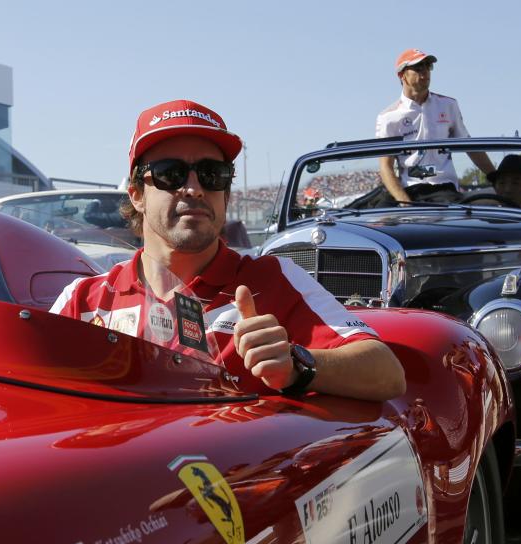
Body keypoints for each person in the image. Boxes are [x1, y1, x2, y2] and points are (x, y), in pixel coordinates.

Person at [51, 99, 405, 401]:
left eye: (212, 174)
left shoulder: (271, 279)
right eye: (170, 173)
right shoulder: (84, 301)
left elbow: (386, 372)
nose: (193, 189)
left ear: (227, 194)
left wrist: (298, 365)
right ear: (137, 195)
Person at [375, 49, 494, 204]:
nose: (425, 71)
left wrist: (496, 177)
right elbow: (385, 167)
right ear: (402, 75)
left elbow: (469, 146)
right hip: (409, 189)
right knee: (372, 217)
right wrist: (405, 202)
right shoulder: (388, 117)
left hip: (443, 188)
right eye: (418, 67)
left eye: (428, 66)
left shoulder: (448, 105)